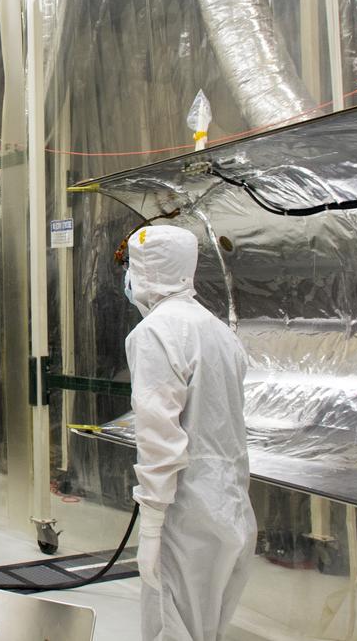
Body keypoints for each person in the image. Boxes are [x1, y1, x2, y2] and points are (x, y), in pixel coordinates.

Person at [122, 225, 256, 641]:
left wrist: (151, 524)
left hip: (184, 510)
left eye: (130, 266)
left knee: (173, 628)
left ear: (145, 270)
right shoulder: (219, 331)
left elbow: (159, 438)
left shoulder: (155, 333)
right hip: (232, 505)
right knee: (209, 627)